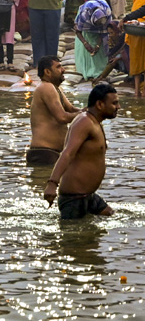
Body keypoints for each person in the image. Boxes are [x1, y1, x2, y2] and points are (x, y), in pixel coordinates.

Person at [44, 82, 119, 219]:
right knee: (74, 239)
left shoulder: (94, 121)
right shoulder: (84, 122)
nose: (118, 107)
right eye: (114, 103)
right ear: (100, 105)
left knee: (110, 215)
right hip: (74, 199)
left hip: (88, 196)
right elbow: (68, 153)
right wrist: (52, 184)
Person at [27, 56, 80, 168]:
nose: (63, 70)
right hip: (44, 153)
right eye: (59, 67)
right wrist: (87, 115)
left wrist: (90, 110)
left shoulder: (56, 89)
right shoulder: (46, 88)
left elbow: (72, 110)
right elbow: (62, 117)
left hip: (51, 153)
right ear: (47, 72)